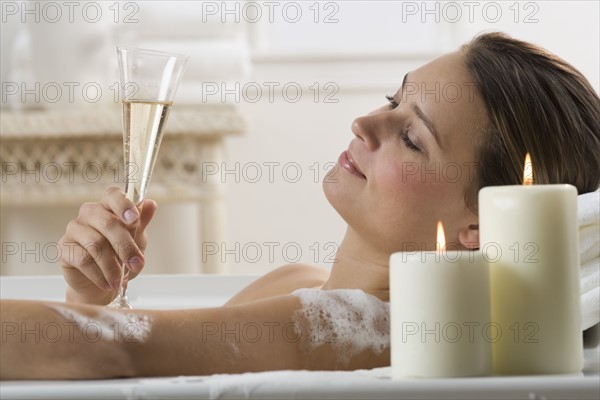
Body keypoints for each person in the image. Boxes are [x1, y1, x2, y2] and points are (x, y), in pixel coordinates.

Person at [1, 32, 599, 380]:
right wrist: (93, 298)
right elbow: (119, 354)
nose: (364, 122)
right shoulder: (299, 285)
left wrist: (96, 323)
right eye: (394, 98)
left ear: (480, 225)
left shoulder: (380, 333)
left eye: (413, 136)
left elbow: (113, 348)